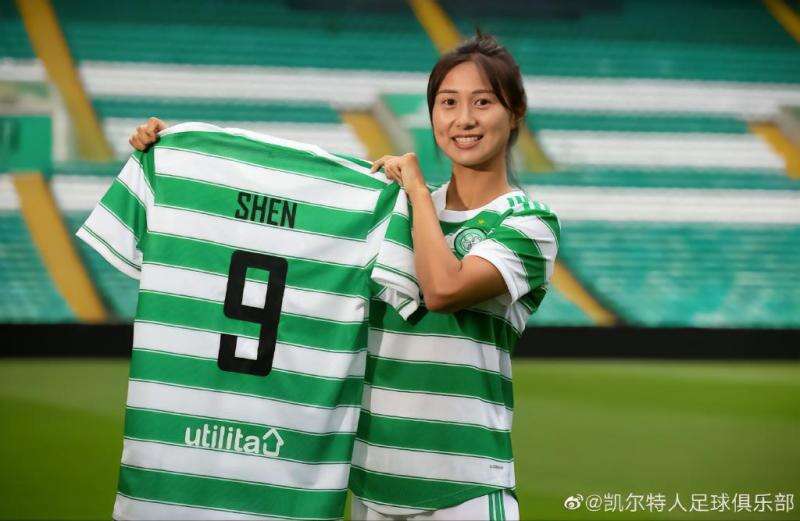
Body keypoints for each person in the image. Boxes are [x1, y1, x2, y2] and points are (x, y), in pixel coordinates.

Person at [128, 31, 559, 521]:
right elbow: (288, 207)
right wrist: (179, 153)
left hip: (466, 489)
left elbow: (444, 289)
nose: (464, 119)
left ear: (516, 111)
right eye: (448, 102)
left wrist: (418, 192)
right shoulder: (388, 208)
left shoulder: (528, 222)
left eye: (483, 102)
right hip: (371, 486)